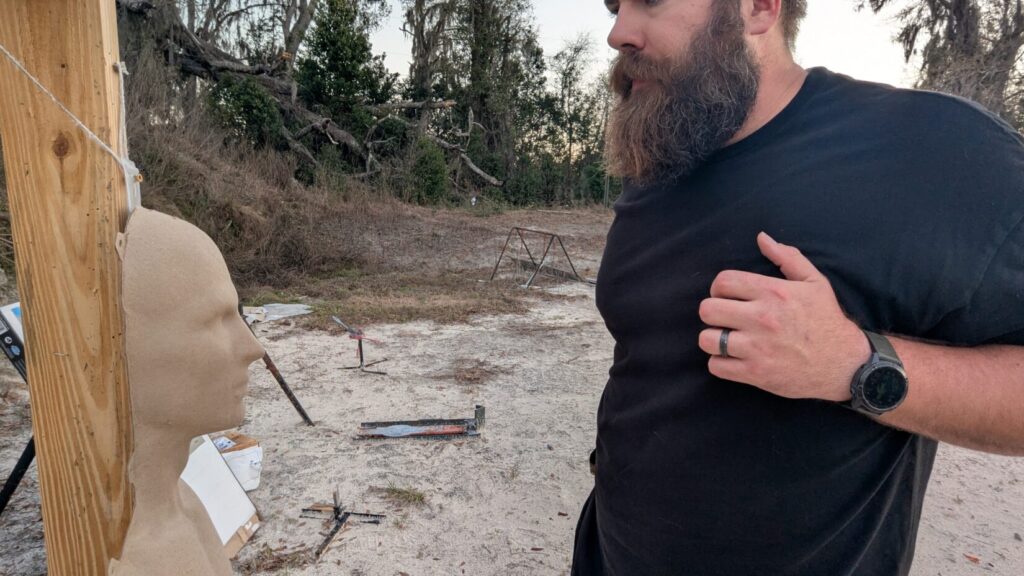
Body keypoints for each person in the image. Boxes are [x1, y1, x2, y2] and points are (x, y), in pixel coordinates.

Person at [572, 1, 1024, 575]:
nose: (617, 32)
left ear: (760, 7)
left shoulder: (932, 151)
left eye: (650, 1)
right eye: (615, 6)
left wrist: (857, 366)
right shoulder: (668, 150)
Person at [110, 207, 265, 576]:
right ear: (135, 344)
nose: (253, 348)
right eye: (216, 319)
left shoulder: (187, 504)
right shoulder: (137, 558)